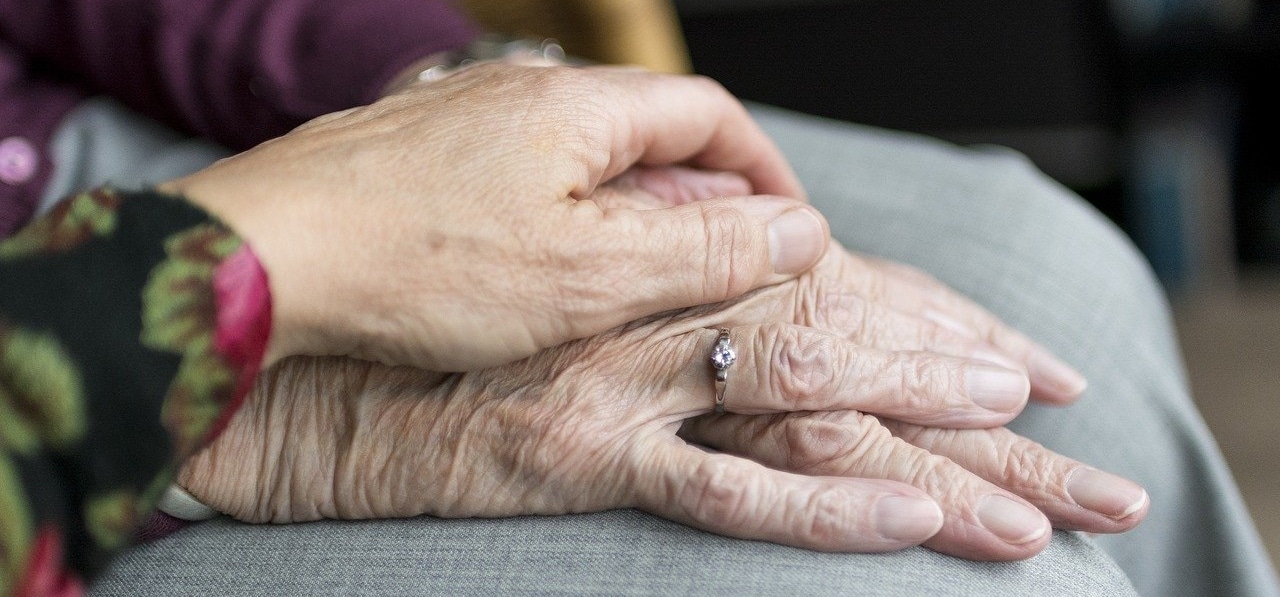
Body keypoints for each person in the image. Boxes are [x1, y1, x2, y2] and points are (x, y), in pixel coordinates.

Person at [1, 2, 1276, 597]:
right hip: (51, 428)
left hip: (101, 137)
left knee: (1057, 280)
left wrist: (450, 100)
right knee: (964, 586)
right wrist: (251, 408)